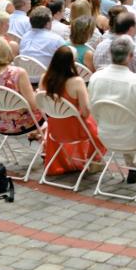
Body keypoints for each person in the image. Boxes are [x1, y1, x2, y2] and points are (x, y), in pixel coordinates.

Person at [89, 37, 136, 183]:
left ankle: (134, 168)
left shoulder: (95, 78)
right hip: (132, 138)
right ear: (131, 56)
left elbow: (94, 112)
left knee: (128, 122)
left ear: (110, 54)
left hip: (104, 135)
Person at [40, 46, 105, 176]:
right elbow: (86, 112)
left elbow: (41, 105)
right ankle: (94, 160)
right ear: (72, 62)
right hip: (77, 130)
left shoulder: (45, 78)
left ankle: (71, 160)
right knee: (100, 127)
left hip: (55, 128)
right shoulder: (77, 82)